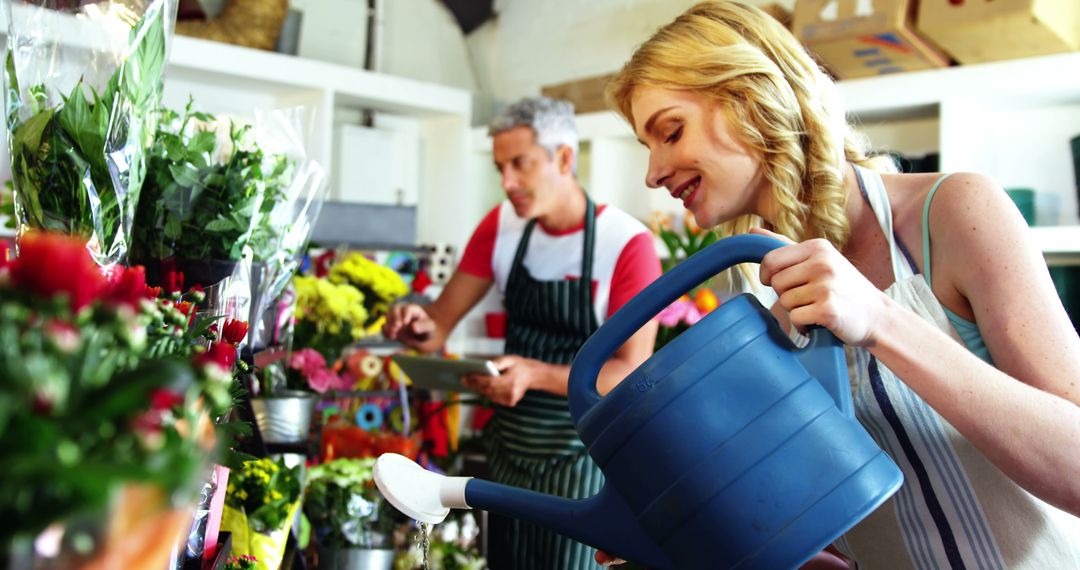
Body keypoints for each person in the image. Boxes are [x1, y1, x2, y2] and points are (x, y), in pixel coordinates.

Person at [596, 1, 1080, 568]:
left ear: (751, 99)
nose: (652, 172)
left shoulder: (952, 213)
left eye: (670, 131)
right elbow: (837, 522)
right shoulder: (745, 287)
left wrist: (879, 321)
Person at [383, 96, 662, 569]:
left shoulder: (627, 246)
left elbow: (629, 375)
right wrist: (415, 322)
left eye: (520, 164)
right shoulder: (501, 227)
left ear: (564, 158)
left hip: (580, 460)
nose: (507, 183)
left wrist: (533, 375)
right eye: (500, 168)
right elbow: (437, 327)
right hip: (509, 453)